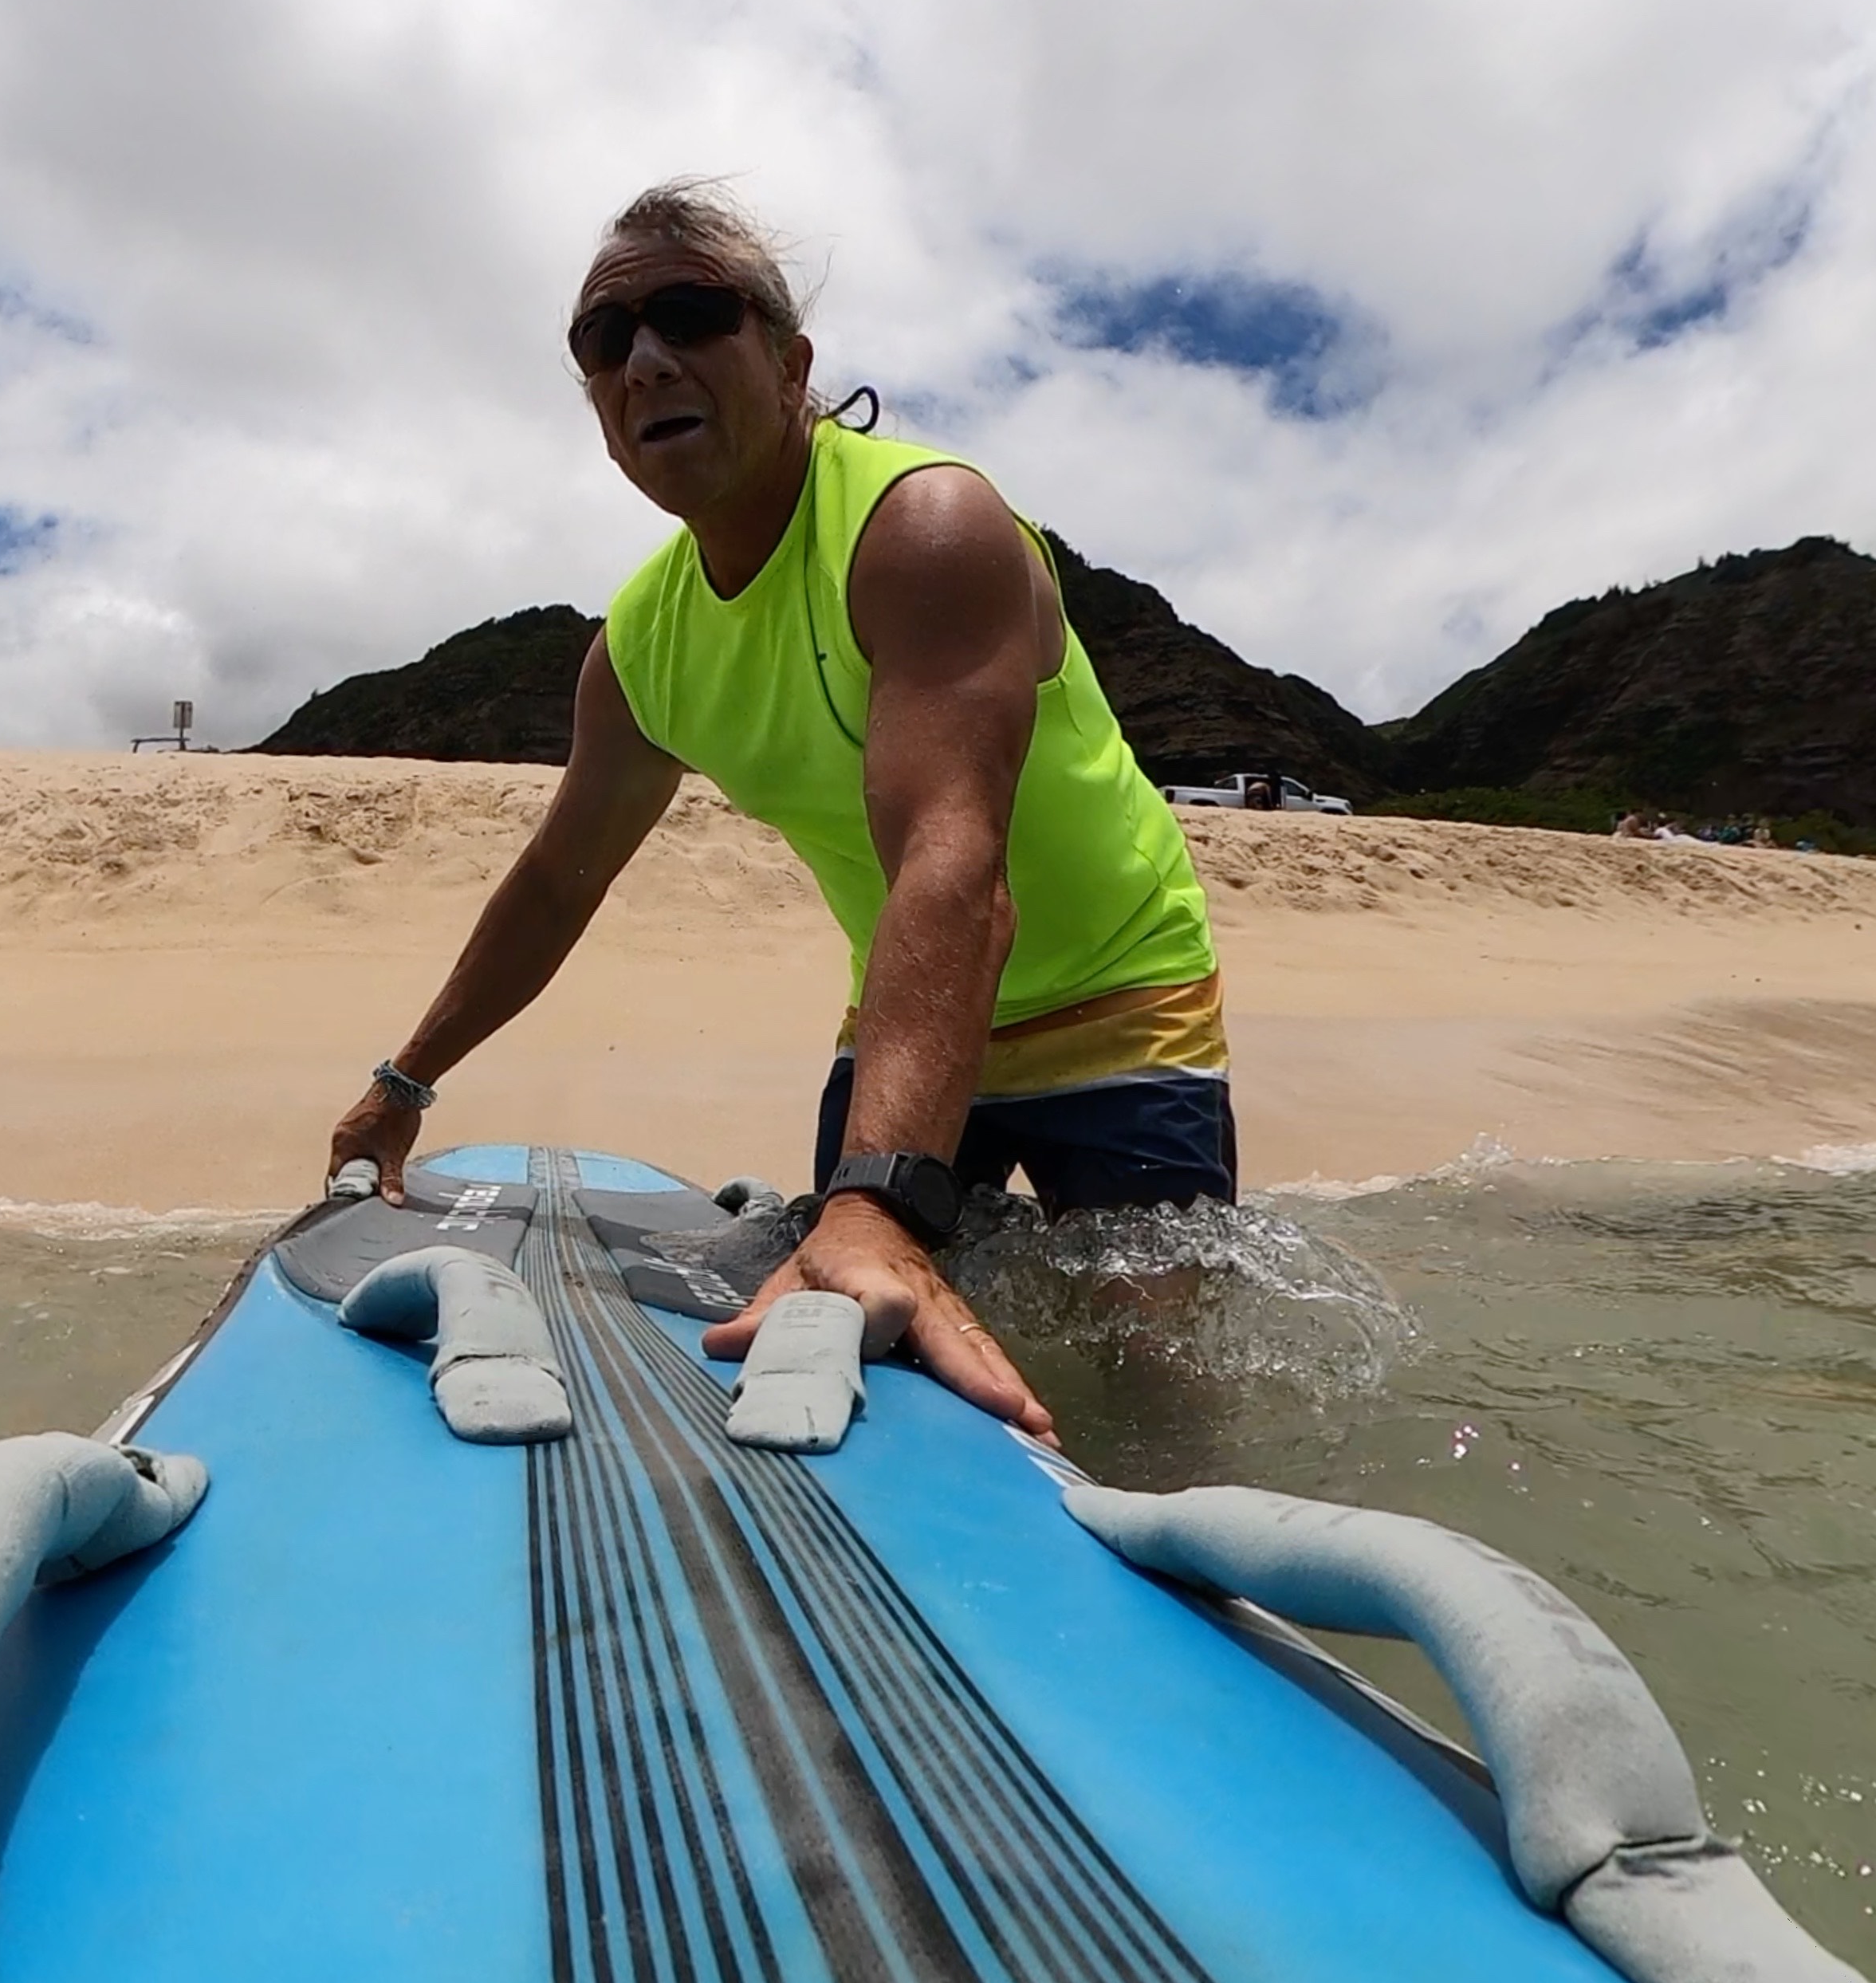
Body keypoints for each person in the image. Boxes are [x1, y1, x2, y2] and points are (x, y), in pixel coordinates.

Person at [322, 183, 1235, 1441]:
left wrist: (877, 1198)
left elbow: (952, 860)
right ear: (595, 400)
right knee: (873, 1336)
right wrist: (404, 1080)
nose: (646, 359)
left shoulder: (923, 529)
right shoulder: (641, 649)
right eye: (606, 339)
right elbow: (557, 880)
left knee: (1159, 1381)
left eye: (692, 315)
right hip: (906, 1006)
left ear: (792, 362)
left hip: (1120, 997)